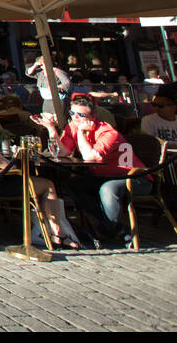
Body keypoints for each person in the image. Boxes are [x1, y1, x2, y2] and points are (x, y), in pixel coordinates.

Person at [0, 103, 79, 249]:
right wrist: (20, 156)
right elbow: (10, 167)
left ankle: (47, 229)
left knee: (41, 182)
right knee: (48, 185)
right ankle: (58, 233)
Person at [34, 101, 150, 247]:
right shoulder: (73, 127)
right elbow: (62, 151)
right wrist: (51, 128)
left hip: (134, 177)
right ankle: (117, 228)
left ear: (93, 116)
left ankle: (105, 230)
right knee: (74, 184)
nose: (75, 118)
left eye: (80, 115)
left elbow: (89, 157)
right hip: (103, 176)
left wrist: (81, 132)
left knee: (108, 189)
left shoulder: (108, 132)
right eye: (72, 113)